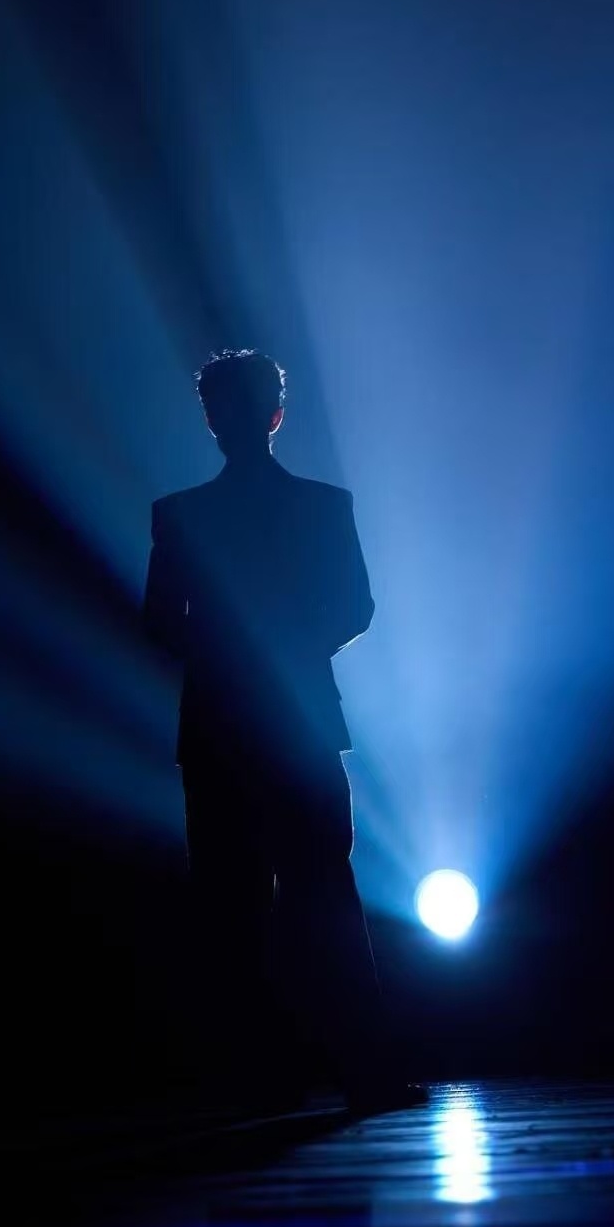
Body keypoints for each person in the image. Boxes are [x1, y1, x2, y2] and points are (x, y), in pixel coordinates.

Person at [143, 348, 424, 1115]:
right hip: (297, 716)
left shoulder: (180, 514)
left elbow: (159, 624)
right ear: (277, 413)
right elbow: (355, 607)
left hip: (218, 722)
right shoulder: (323, 505)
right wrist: (286, 649)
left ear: (214, 418)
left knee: (232, 900)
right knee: (322, 890)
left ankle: (250, 1078)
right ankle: (362, 1071)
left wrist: (230, 653)